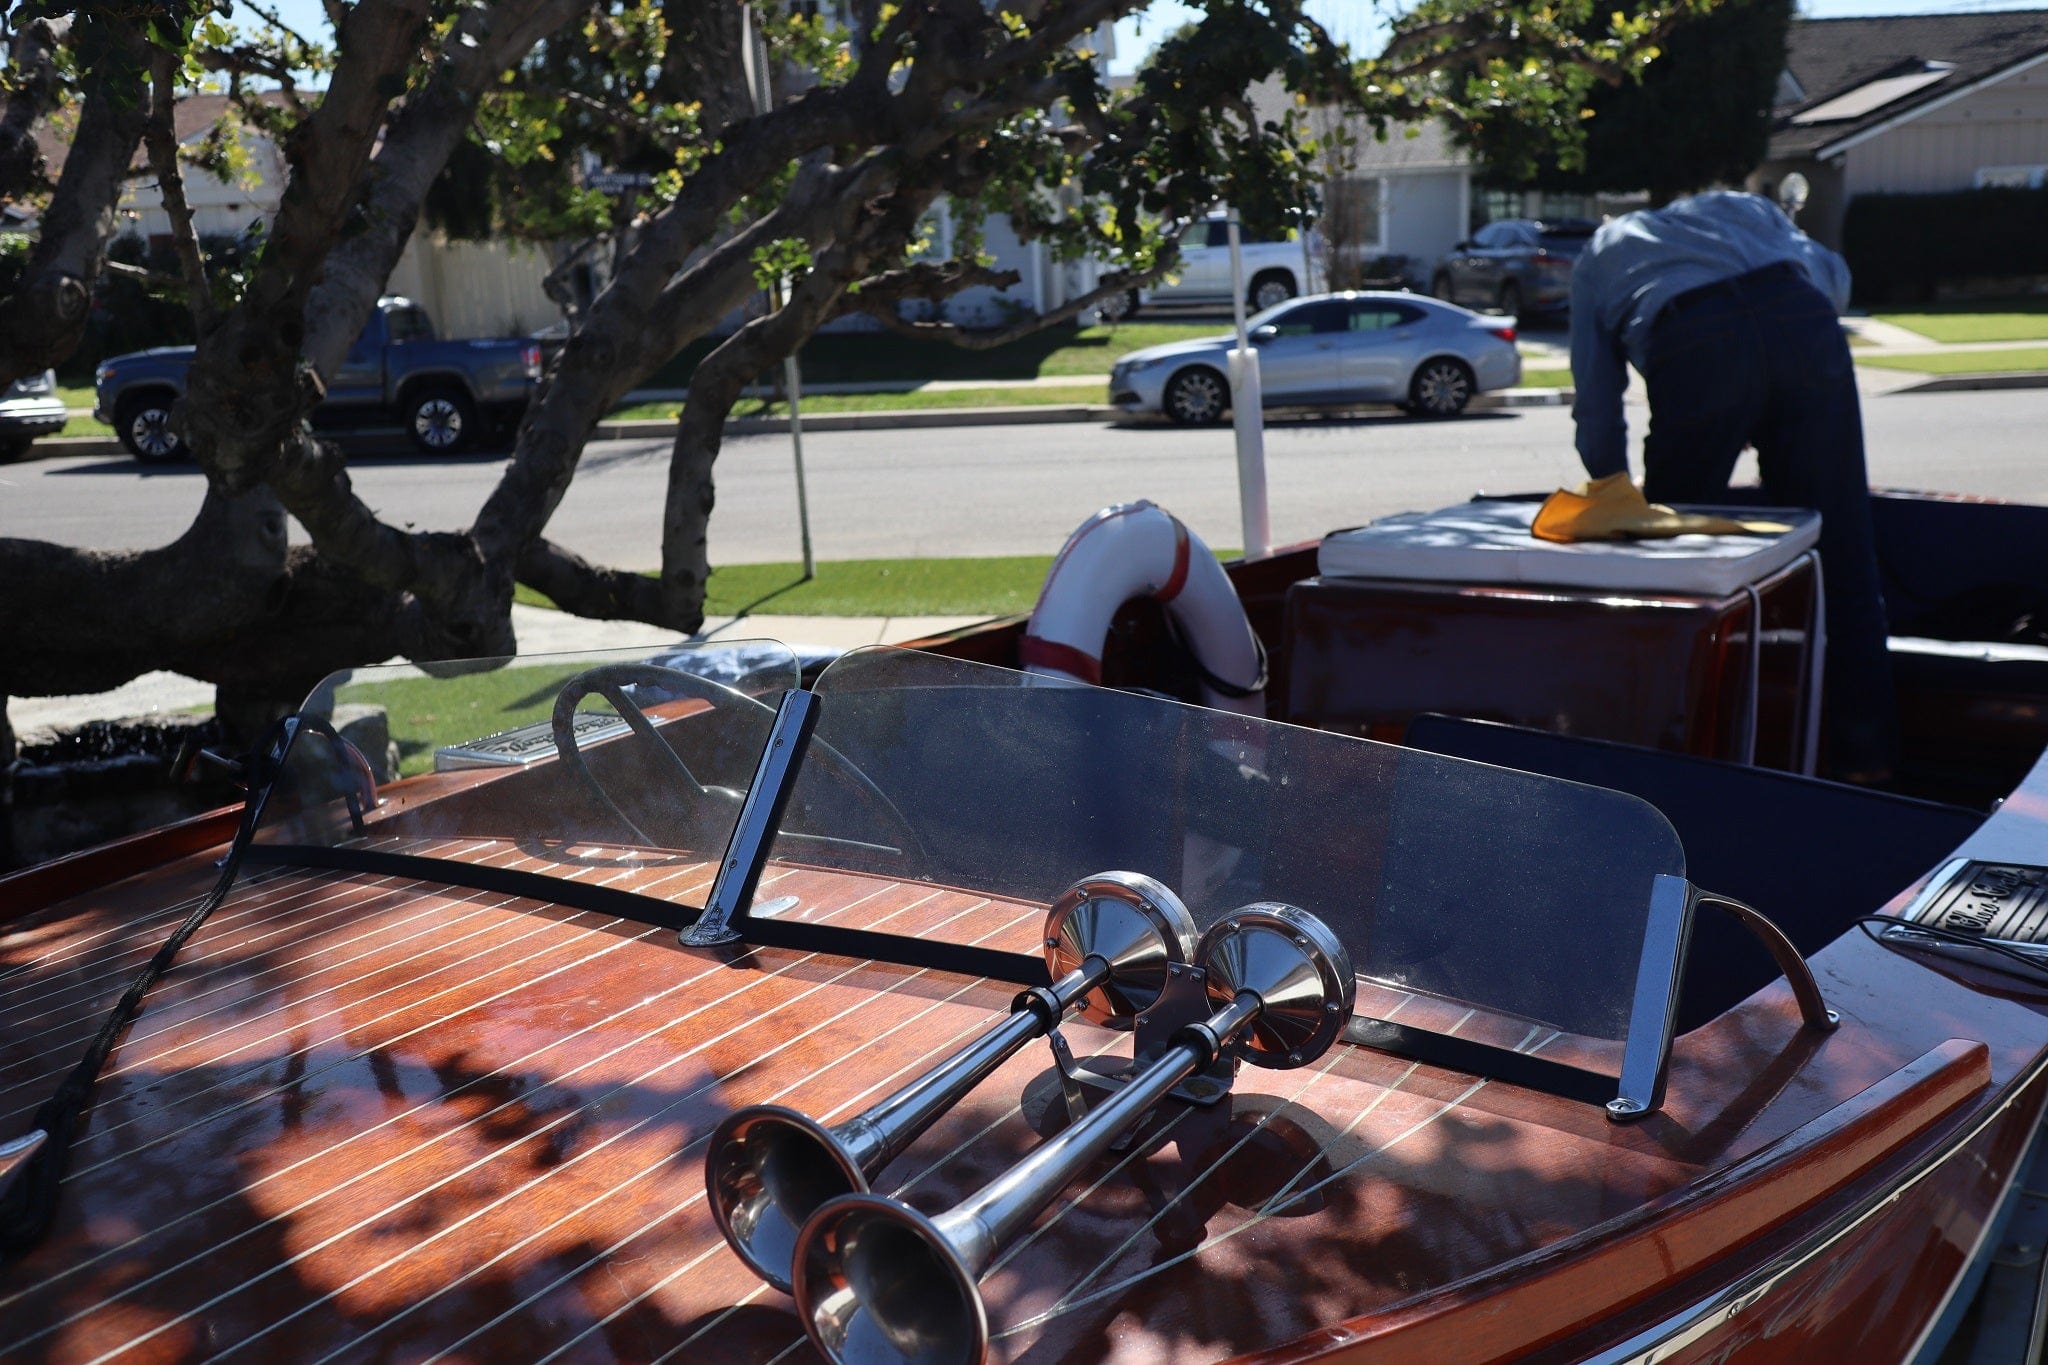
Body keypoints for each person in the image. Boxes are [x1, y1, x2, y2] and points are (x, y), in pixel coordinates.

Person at [1568, 190, 1897, 782]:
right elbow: (1830, 274)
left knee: (1675, 576)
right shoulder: (1743, 207)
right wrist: (1777, 376)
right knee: (1845, 555)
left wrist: (1616, 495)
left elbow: (1597, 405)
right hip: (1805, 323)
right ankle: (1867, 765)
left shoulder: (1600, 250)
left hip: (1693, 342)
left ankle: (1672, 768)